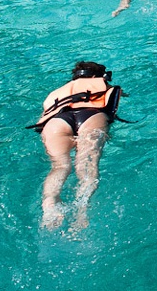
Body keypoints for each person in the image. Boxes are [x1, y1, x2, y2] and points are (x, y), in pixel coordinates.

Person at [29, 61, 124, 231]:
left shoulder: (54, 94)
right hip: (91, 116)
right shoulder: (104, 85)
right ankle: (81, 211)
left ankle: (50, 202)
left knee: (60, 166)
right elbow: (117, 96)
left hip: (57, 121)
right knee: (87, 164)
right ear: (98, 76)